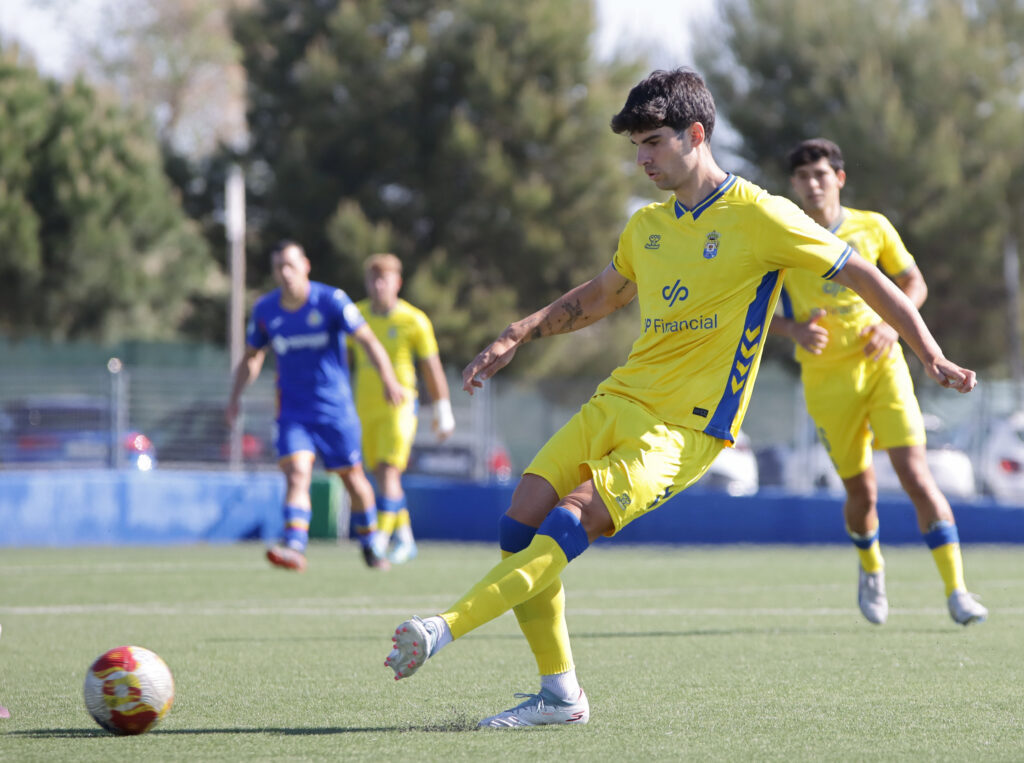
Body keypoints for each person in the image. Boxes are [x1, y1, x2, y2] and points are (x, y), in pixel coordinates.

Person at [383, 68, 976, 728]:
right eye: (635, 146)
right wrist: (519, 332)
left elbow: (865, 274)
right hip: (619, 398)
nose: (641, 160)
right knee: (516, 525)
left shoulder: (762, 214)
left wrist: (929, 353)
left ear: (696, 134)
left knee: (568, 523)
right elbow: (601, 296)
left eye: (653, 143)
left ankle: (442, 627)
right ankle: (560, 694)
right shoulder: (646, 226)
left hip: (685, 429)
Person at [769, 138, 988, 626]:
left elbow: (914, 283)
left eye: (821, 174)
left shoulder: (873, 226)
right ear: (793, 184)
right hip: (827, 380)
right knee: (862, 493)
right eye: (803, 176)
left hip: (884, 369)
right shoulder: (784, 237)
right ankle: (871, 568)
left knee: (917, 477)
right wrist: (794, 330)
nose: (812, 184)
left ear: (839, 178)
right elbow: (751, 309)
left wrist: (892, 327)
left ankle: (957, 590)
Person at [227, 240, 406, 572]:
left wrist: (388, 379)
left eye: (291, 265)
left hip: (335, 412)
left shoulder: (331, 300)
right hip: (293, 413)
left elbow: (367, 340)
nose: (285, 273)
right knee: (297, 474)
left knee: (353, 480)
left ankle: (371, 544)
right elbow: (253, 357)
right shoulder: (266, 310)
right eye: (279, 266)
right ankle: (294, 545)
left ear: (306, 266)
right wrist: (234, 397)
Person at [350, 253, 456, 565]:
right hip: (364, 406)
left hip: (400, 405)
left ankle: (379, 540)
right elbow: (342, 359)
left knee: (388, 470)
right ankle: (406, 539)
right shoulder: (355, 316)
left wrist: (443, 409)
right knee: (381, 475)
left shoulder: (414, 320)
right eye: (373, 279)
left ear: (397, 282)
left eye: (384, 279)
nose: (378, 286)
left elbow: (431, 367)